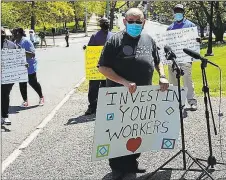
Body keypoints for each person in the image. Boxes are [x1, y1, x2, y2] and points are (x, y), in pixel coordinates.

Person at [98, 8, 169, 179]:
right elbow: (103, 67)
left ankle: (132, 164)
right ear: (124, 22)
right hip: (119, 96)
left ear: (144, 22)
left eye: (139, 21)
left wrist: (163, 76)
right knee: (118, 132)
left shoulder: (149, 39)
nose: (135, 24)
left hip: (142, 98)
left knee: (137, 132)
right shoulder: (115, 41)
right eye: (131, 21)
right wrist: (123, 82)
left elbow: (158, 61)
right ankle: (117, 168)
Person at [167, 4, 198, 111]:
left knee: (187, 79)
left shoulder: (190, 26)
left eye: (180, 11)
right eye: (176, 11)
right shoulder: (170, 28)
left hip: (186, 58)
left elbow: (195, 40)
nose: (178, 13)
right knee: (174, 81)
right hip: (173, 59)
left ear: (183, 12)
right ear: (174, 13)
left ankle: (192, 101)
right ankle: (178, 102)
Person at [83, 17, 114, 115]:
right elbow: (90, 50)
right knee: (94, 87)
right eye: (104, 23)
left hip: (108, 67)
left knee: (106, 87)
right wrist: (86, 48)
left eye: (106, 22)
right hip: (96, 68)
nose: (105, 24)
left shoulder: (113, 36)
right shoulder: (95, 36)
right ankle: (92, 106)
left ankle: (104, 105)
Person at [13, 28, 44, 107]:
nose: (13, 35)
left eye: (14, 33)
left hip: (30, 65)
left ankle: (41, 97)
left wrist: (22, 51)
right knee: (22, 83)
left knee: (32, 82)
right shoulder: (15, 42)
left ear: (19, 33)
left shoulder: (26, 41)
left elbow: (32, 54)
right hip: (20, 66)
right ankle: (25, 101)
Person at [1, 28, 17, 125]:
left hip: (7, 77)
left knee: (5, 96)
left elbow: (18, 58)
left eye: (2, 32)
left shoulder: (12, 45)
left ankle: (5, 116)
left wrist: (23, 65)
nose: (1, 34)